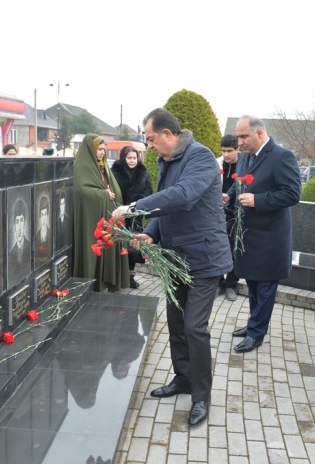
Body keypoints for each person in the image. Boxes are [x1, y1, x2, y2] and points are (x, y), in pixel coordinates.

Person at [111, 108, 232, 427]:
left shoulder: (201, 157)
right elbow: (166, 207)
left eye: (150, 139)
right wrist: (150, 233)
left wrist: (134, 207)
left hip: (205, 257)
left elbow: (184, 196)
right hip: (176, 256)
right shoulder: (166, 161)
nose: (148, 146)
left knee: (195, 326)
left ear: (168, 134)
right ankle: (184, 378)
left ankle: (201, 397)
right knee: (176, 321)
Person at [224, 116, 302, 353]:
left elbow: (292, 194)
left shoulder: (282, 156)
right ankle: (252, 325)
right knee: (253, 283)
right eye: (238, 137)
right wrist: (229, 195)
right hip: (249, 234)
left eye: (243, 136)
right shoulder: (246, 157)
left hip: (270, 237)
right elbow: (240, 184)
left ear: (259, 133)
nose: (239, 142)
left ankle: (257, 333)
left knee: (266, 286)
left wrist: (258, 200)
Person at [73, 134, 130, 292]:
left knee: (108, 245)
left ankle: (107, 280)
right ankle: (92, 283)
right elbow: (81, 191)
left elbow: (112, 187)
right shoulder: (82, 166)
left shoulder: (103, 166)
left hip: (107, 215)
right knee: (94, 249)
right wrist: (103, 195)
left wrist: (111, 195)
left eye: (104, 149)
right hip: (91, 217)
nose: (103, 153)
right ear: (91, 149)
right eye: (99, 149)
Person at [111, 145, 153, 289]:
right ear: (123, 158)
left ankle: (130, 277)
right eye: (129, 158)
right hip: (119, 216)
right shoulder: (115, 172)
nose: (132, 161)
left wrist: (136, 204)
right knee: (117, 246)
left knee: (133, 247)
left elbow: (149, 191)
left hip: (136, 216)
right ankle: (116, 277)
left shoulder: (144, 172)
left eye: (135, 158)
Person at [216, 134, 241, 302]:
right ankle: (218, 282)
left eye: (230, 151)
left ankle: (231, 285)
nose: (226, 155)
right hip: (217, 212)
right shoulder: (217, 163)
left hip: (237, 213)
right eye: (223, 151)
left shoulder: (244, 164)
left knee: (235, 250)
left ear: (237, 150)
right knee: (216, 249)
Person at [8, 198, 30, 283]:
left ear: (25, 222)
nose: (19, 227)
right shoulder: (11, 253)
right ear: (14, 224)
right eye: (17, 222)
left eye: (21, 220)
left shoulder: (30, 247)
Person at [35, 195, 52, 260]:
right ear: (40, 216)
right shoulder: (37, 236)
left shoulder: (50, 233)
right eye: (42, 214)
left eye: (45, 214)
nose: (44, 218)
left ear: (47, 215)